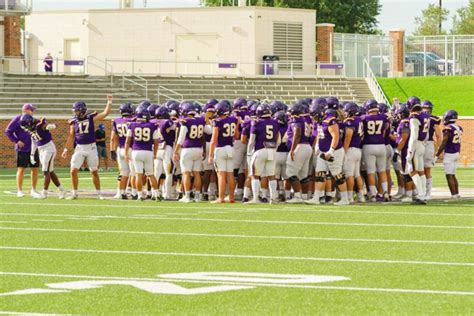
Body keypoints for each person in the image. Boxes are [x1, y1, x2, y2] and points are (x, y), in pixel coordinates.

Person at [61, 95, 113, 200]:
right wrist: (66, 149)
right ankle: (74, 193)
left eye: (76, 111)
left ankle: (99, 193)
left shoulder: (90, 117)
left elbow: (105, 114)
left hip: (91, 147)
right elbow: (71, 136)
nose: (75, 113)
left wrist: (109, 102)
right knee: (73, 170)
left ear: (82, 110)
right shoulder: (73, 121)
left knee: (94, 171)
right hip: (79, 148)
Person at [19, 114, 66, 199]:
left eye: (26, 125)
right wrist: (32, 154)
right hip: (41, 150)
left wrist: (50, 126)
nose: (25, 128)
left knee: (45, 171)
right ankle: (62, 190)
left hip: (49, 149)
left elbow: (47, 126)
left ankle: (44, 193)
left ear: (29, 123)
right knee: (50, 172)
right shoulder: (32, 130)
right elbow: (34, 141)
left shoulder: (40, 125)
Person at [4, 103, 41, 198]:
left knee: (35, 169)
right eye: (32, 110)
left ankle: (33, 190)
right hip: (22, 148)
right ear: (26, 110)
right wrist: (17, 141)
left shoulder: (33, 120)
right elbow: (8, 131)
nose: (33, 112)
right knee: (21, 169)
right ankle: (19, 190)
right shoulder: (17, 119)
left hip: (33, 147)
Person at [124, 106, 161, 201]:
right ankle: (157, 194)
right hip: (148, 151)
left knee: (138, 175)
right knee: (151, 175)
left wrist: (126, 153)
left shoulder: (132, 125)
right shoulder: (153, 126)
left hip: (136, 152)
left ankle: (140, 195)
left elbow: (128, 142)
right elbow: (156, 143)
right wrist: (155, 154)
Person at [173, 102, 206, 203]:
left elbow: (180, 139)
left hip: (188, 149)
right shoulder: (200, 120)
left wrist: (175, 151)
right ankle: (197, 196)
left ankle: (187, 196)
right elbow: (207, 133)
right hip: (199, 149)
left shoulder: (185, 122)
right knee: (197, 173)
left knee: (186, 173)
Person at [246, 103, 279, 204]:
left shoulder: (256, 123)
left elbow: (252, 141)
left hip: (260, 150)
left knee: (255, 175)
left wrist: (248, 153)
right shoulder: (275, 122)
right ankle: (273, 198)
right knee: (271, 175)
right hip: (272, 150)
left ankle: (256, 198)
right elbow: (278, 137)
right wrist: (274, 148)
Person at [208, 100, 239, 203]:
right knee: (230, 174)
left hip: (220, 148)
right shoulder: (233, 119)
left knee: (221, 174)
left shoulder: (217, 121)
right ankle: (231, 197)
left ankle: (221, 198)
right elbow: (236, 136)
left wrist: (210, 155)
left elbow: (213, 139)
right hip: (230, 148)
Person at [361, 99, 389, 202]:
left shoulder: (364, 118)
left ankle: (372, 194)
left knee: (371, 172)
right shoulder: (384, 117)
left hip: (368, 145)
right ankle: (385, 192)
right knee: (382, 171)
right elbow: (386, 130)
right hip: (381, 145)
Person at [435, 110, 463, 201]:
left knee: (449, 175)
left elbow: (443, 143)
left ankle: (454, 195)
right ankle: (457, 194)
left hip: (450, 153)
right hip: (456, 152)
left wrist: (437, 155)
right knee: (453, 175)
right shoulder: (458, 127)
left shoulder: (448, 129)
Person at [406, 96, 429, 204]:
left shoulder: (414, 116)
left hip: (415, 145)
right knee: (420, 171)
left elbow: (414, 135)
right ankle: (423, 195)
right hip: (422, 144)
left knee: (412, 171)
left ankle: (420, 195)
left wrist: (410, 150)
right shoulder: (425, 115)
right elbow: (427, 134)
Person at [110, 102, 135, 199]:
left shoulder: (116, 121)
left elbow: (112, 138)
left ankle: (120, 193)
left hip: (120, 149)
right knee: (133, 172)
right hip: (131, 149)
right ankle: (134, 193)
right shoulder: (134, 120)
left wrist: (112, 149)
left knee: (123, 173)